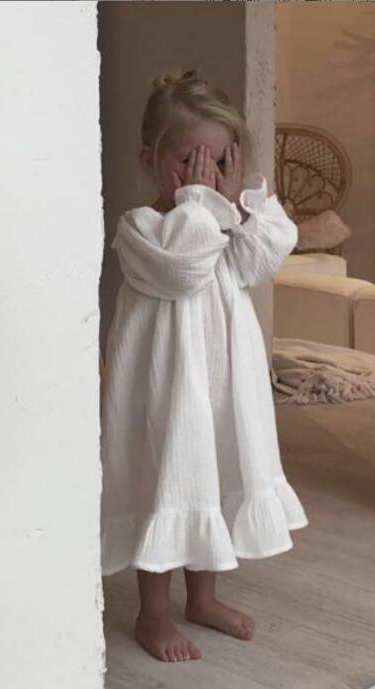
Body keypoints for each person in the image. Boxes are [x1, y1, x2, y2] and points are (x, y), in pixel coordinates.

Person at [100, 67, 309, 663]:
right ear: (149, 158)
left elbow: (263, 257)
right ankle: (153, 614)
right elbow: (183, 268)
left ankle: (203, 599)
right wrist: (201, 203)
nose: (204, 177)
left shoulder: (218, 223)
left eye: (218, 163)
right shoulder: (143, 228)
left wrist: (237, 203)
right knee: (167, 476)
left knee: (209, 472)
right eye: (188, 163)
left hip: (221, 381)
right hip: (164, 387)